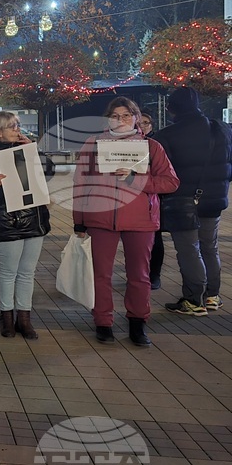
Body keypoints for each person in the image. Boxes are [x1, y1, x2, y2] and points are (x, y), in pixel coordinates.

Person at [73, 96, 179, 346]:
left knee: (139, 275)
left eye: (126, 115)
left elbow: (171, 182)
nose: (120, 120)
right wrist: (79, 221)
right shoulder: (94, 144)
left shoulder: (151, 147)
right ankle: (103, 322)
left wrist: (136, 179)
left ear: (136, 117)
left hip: (140, 220)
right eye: (114, 116)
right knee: (101, 274)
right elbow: (81, 184)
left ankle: (138, 323)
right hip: (100, 219)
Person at [154, 87, 232, 316]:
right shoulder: (222, 129)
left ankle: (193, 300)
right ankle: (212, 297)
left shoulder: (167, 135)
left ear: (172, 108)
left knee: (189, 249)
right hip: (215, 200)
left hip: (182, 202)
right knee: (209, 247)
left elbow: (161, 171)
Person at [0, 111, 50, 339]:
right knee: (8, 272)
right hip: (6, 222)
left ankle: (24, 319)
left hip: (34, 219)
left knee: (27, 272)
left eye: (17, 125)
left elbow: (46, 176)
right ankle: (6, 317)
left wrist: (35, 153)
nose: (18, 130)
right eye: (12, 126)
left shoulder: (27, 150)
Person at [139, 112, 165, 291]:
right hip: (132, 203)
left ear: (152, 125)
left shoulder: (156, 145)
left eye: (146, 123)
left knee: (156, 238)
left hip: (154, 199)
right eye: (139, 123)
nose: (143, 126)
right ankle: (139, 274)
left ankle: (154, 274)